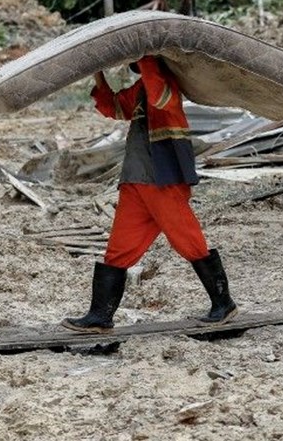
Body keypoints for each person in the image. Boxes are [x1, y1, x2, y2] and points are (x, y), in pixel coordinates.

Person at [63, 56, 238, 333]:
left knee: (189, 241)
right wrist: (97, 73)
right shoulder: (143, 88)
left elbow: (158, 94)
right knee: (118, 251)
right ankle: (100, 316)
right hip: (136, 180)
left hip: (162, 180)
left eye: (141, 63)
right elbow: (114, 106)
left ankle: (223, 303)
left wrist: (144, 53)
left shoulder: (165, 85)